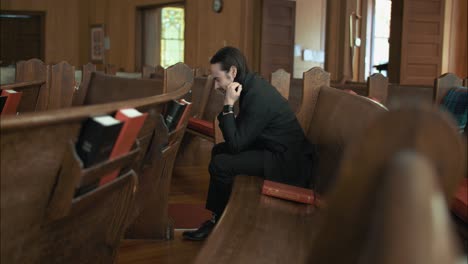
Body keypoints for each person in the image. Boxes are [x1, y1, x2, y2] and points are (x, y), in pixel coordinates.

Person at [183, 47, 315, 241]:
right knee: (219, 150)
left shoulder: (256, 95)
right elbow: (240, 138)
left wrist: (228, 105)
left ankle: (226, 222)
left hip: (287, 162)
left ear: (233, 72)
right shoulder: (250, 86)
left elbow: (237, 144)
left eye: (218, 79)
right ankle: (217, 219)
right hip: (273, 150)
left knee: (221, 164)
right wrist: (230, 108)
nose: (216, 86)